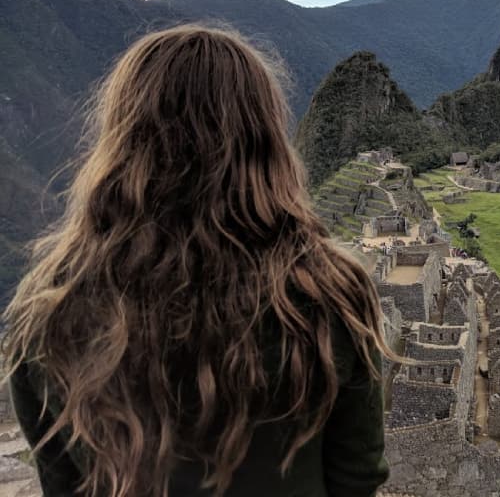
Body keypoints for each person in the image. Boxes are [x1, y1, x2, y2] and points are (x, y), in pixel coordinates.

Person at [1, 26, 392, 497]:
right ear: (265, 139)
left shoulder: (50, 315)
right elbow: (357, 480)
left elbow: (63, 486)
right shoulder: (329, 295)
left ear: (122, 139)